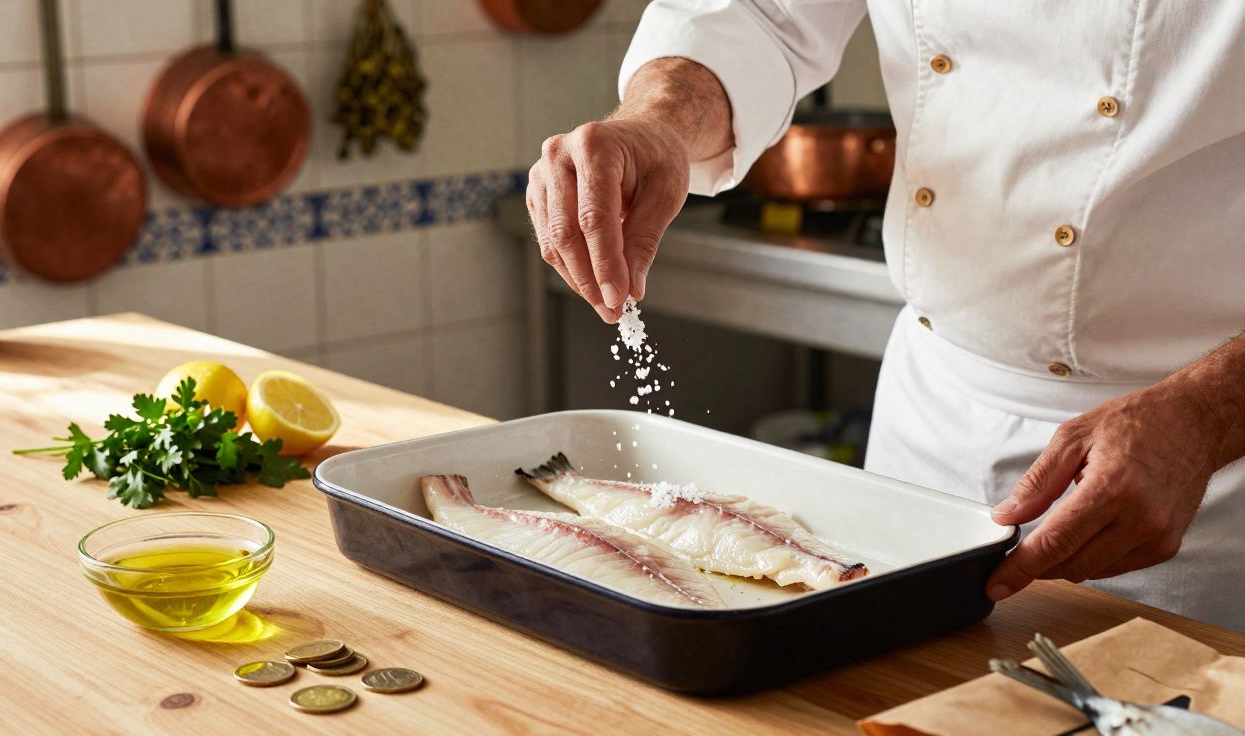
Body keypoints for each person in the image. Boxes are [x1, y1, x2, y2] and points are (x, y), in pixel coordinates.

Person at [524, 1, 1245, 631]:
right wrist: (658, 122)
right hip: (929, 434)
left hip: (1204, 477)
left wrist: (1210, 414)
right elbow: (759, 13)